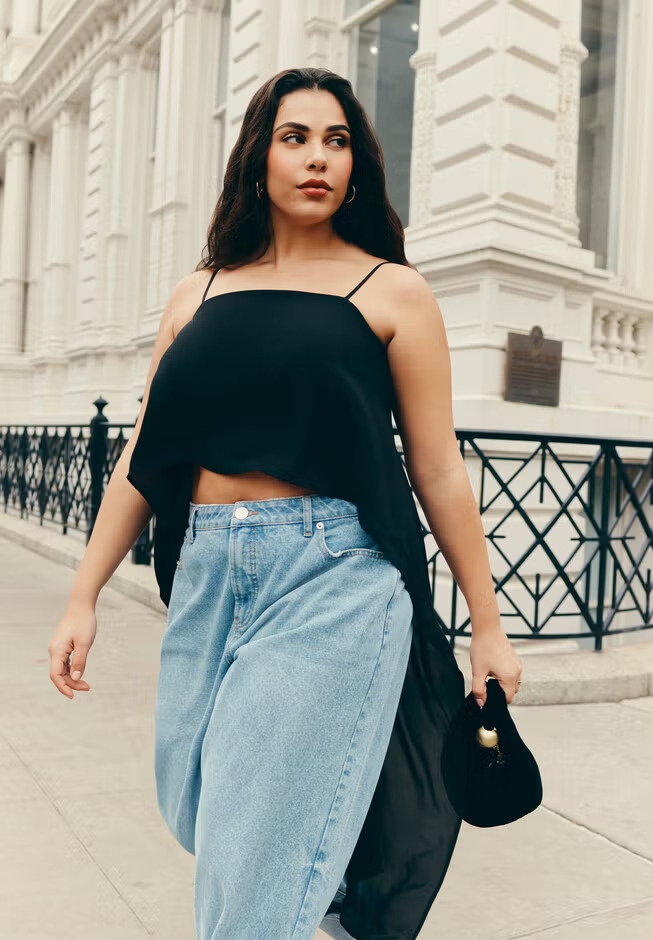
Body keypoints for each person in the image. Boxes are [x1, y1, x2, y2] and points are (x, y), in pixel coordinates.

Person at [48, 67, 522, 940]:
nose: (317, 159)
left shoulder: (390, 290)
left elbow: (438, 468)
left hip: (334, 578)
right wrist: (83, 594)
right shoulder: (197, 292)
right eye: (294, 137)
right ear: (257, 156)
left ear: (358, 166)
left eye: (336, 141)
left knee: (253, 851)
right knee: (201, 805)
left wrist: (484, 623)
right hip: (208, 575)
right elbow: (147, 454)